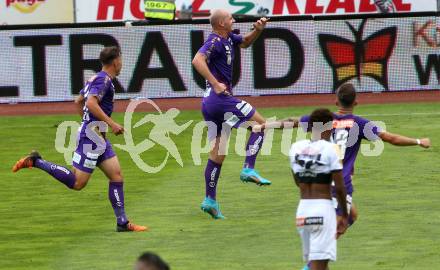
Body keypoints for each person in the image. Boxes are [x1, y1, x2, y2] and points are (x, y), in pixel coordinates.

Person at [12, 46, 147, 232]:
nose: (121, 63)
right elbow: (90, 102)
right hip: (92, 137)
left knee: (116, 176)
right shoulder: (103, 80)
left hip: (96, 136)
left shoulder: (97, 78)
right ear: (115, 61)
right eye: (121, 60)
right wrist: (111, 124)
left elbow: (79, 101)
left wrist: (87, 122)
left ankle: (122, 222)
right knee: (77, 183)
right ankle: (36, 161)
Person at [192, 9, 270, 219]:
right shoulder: (214, 42)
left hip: (209, 104)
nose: (233, 20)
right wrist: (216, 83)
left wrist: (258, 30)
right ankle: (248, 168)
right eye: (230, 18)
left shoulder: (228, 38)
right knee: (260, 125)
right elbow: (197, 60)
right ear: (221, 24)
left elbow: (245, 42)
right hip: (220, 100)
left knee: (218, 154)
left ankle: (210, 200)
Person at [290, 108, 348, 270]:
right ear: (328, 126)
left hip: (302, 212)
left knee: (319, 265)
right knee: (318, 266)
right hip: (322, 210)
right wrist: (343, 214)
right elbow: (340, 187)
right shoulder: (331, 149)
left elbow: (297, 180)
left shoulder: (295, 148)